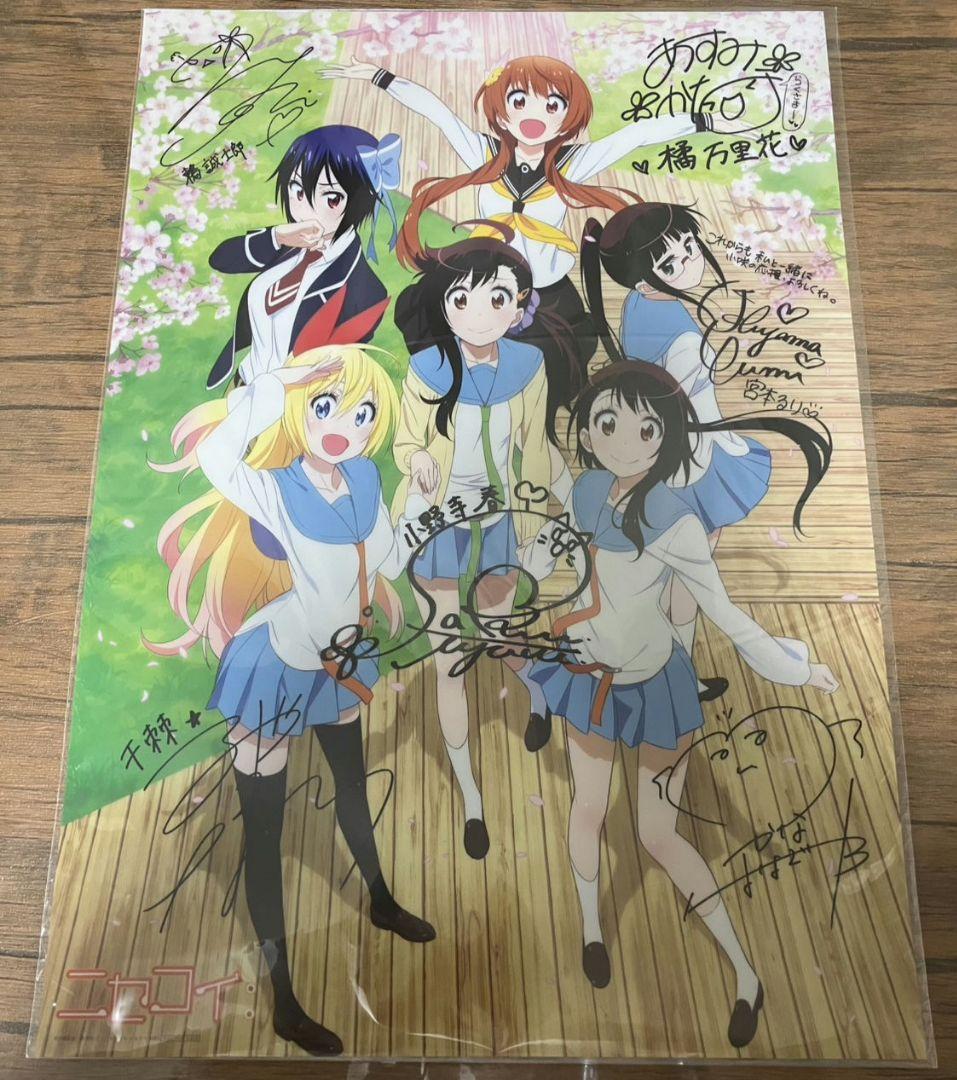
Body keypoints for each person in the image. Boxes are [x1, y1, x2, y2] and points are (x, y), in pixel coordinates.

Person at [523, 361, 837, 1048]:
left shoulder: (677, 522)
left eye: (644, 429)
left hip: (656, 686)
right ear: (588, 432)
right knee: (586, 809)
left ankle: (745, 973)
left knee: (657, 834)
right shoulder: (585, 490)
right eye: (607, 423)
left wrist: (797, 668)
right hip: (589, 678)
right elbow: (560, 548)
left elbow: (728, 617)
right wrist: (529, 564)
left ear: (666, 437)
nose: (623, 441)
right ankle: (591, 928)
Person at [148, 324, 435, 1056]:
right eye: (326, 407)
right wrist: (270, 389)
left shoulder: (364, 479)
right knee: (266, 832)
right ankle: (284, 999)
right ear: (300, 410)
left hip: (338, 661)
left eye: (362, 414)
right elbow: (217, 455)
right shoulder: (275, 488)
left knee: (352, 788)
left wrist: (422, 502)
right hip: (274, 668)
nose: (343, 427)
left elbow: (385, 556)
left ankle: (381, 901)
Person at [324, 55, 716, 436]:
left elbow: (636, 136)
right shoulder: (485, 153)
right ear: (501, 107)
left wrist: (706, 121)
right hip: (485, 285)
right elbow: (437, 112)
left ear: (569, 115)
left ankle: (540, 433)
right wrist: (379, 76)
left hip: (546, 289)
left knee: (557, 371)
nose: (534, 115)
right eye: (519, 100)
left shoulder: (571, 163)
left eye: (553, 104)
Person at [391, 231, 576, 858]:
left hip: (500, 522)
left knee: (501, 636)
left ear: (519, 304)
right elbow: (406, 442)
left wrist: (549, 516)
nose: (478, 314)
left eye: (496, 299)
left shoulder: (527, 367)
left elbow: (535, 447)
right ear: (444, 304)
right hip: (440, 524)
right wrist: (416, 461)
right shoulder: (427, 370)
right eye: (461, 299)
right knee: (449, 661)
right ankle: (472, 799)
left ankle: (540, 692)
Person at [205, 124, 401, 389]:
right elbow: (220, 259)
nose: (306, 209)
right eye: (298, 191)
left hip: (287, 403)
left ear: (358, 200)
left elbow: (333, 376)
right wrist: (277, 236)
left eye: (332, 198)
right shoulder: (287, 243)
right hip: (243, 384)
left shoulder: (365, 293)